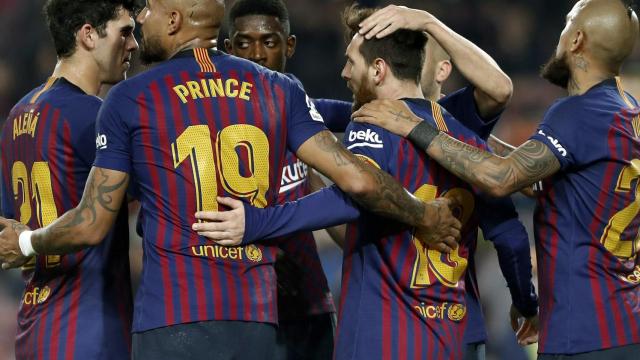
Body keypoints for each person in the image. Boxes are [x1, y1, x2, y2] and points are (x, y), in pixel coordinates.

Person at [0, 0, 461, 359]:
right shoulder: (279, 89)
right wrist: (423, 214)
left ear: (175, 19)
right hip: (258, 319)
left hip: (172, 320)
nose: (141, 27)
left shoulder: (130, 97)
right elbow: (359, 181)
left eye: (150, 12)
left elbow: (93, 219)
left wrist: (27, 243)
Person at [197, 4, 528, 359]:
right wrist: (527, 302)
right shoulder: (465, 136)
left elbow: (350, 196)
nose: (343, 72)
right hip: (459, 333)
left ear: (378, 69)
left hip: (384, 332)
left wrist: (255, 222)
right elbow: (511, 236)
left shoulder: (371, 125)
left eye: (350, 62)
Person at [353, 0, 640, 358]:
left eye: (568, 21)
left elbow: (499, 178)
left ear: (577, 39)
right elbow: (577, 184)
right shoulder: (627, 110)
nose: (561, 31)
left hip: (585, 331)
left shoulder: (576, 113)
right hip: (627, 320)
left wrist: (412, 125)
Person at [0, 0, 139, 359]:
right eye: (124, 32)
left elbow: (7, 228)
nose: (134, 45)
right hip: (89, 326)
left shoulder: (16, 115)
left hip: (33, 326)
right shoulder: (96, 116)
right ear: (88, 35)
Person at [222, 1, 350, 358]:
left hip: (309, 303)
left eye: (270, 42)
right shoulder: (213, 117)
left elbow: (338, 112)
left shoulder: (293, 102)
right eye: (245, 44)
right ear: (228, 50)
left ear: (289, 46)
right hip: (244, 306)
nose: (258, 54)